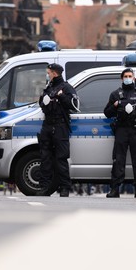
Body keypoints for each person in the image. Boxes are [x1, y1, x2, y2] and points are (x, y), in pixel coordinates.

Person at [104, 67, 136, 198]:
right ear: (121, 78)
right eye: (125, 76)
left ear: (134, 78)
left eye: (129, 76)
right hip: (121, 130)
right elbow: (107, 113)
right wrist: (114, 105)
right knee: (118, 160)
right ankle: (115, 189)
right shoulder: (115, 94)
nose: (127, 78)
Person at [36, 63, 79, 197]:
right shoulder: (48, 87)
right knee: (45, 158)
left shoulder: (66, 87)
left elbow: (74, 104)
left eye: (49, 73)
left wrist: (61, 96)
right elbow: (41, 103)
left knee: (61, 158)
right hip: (48, 125)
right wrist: (45, 102)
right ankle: (45, 187)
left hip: (60, 126)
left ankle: (65, 188)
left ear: (55, 73)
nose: (47, 75)